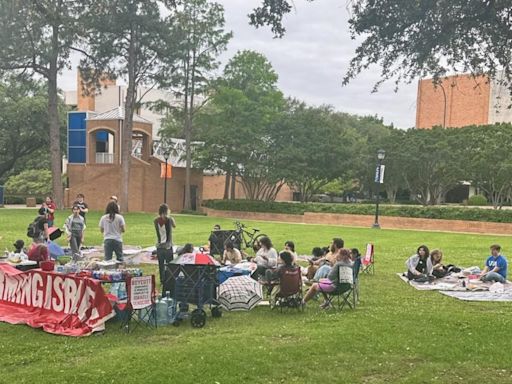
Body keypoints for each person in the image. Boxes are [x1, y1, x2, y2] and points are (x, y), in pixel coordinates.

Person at [154, 203, 176, 285]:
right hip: (168, 246)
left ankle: (162, 279)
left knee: (161, 264)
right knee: (170, 264)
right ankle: (169, 279)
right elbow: (174, 226)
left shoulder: (156, 220)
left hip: (159, 246)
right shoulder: (169, 220)